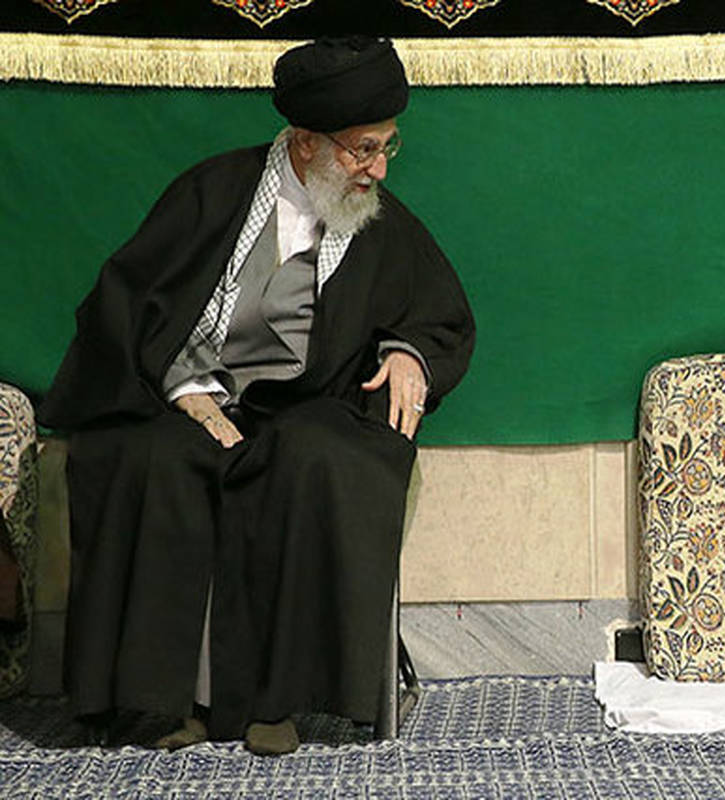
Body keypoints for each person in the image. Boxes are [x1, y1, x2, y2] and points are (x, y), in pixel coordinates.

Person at [37, 37, 475, 754]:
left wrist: (407, 354)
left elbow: (438, 314)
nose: (378, 168)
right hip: (184, 397)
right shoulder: (212, 194)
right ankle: (164, 701)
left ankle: (277, 700)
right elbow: (128, 305)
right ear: (305, 143)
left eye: (387, 146)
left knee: (315, 459)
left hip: (306, 407)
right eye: (363, 150)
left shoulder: (379, 222)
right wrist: (187, 391)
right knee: (151, 461)